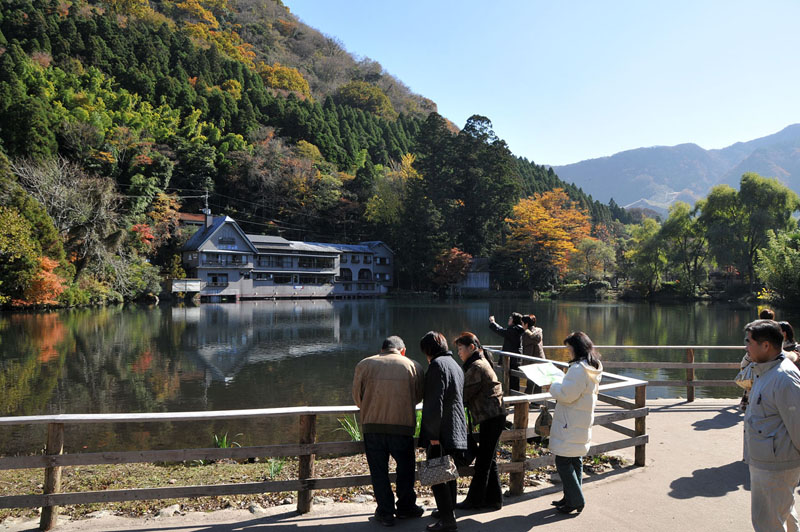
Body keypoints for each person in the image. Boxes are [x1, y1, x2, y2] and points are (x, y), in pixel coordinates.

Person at [353, 336, 425, 527]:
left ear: (382, 349)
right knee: (405, 469)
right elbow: (418, 396)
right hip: (402, 426)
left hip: (372, 426)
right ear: (403, 350)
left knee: (379, 472)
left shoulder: (364, 364)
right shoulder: (413, 365)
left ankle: (385, 512)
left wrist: (370, 408)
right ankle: (406, 507)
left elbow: (357, 397)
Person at [743, 319, 800, 532]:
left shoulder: (784, 377)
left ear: (766, 345)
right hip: (767, 462)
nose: (746, 347)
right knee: (783, 515)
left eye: (749, 342)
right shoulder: (764, 370)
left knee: (767, 523)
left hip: (776, 467)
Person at [548, 331, 603, 515]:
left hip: (570, 421)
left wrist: (553, 386)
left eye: (569, 348)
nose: (568, 352)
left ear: (576, 348)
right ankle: (570, 498)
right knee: (575, 459)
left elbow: (566, 395)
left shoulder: (579, 369)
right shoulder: (592, 366)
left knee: (563, 461)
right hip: (581, 419)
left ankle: (576, 499)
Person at [419, 331, 468, 532]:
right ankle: (447, 511)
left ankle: (447, 520)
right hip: (456, 427)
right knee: (449, 472)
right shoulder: (455, 365)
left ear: (429, 350)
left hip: (442, 431)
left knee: (438, 475)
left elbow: (433, 403)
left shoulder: (437, 366)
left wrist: (432, 436)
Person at [453, 332, 505, 512]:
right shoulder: (480, 362)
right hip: (493, 416)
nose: (459, 352)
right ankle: (494, 500)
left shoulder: (476, 366)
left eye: (461, 348)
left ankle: (474, 500)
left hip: (491, 417)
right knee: (488, 459)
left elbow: (463, 392)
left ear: (472, 347)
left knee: (483, 461)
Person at [489, 312, 525, 391]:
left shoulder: (514, 330)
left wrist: (493, 322)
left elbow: (501, 331)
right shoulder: (516, 329)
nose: (509, 319)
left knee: (512, 381)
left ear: (514, 320)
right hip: (514, 359)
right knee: (513, 380)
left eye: (510, 318)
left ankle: (513, 399)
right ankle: (513, 398)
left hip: (512, 360)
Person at [521, 314, 546, 394]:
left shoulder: (526, 335)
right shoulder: (538, 331)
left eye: (522, 323)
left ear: (526, 324)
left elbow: (526, 344)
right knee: (538, 383)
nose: (521, 325)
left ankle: (526, 402)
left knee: (530, 383)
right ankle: (536, 402)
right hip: (539, 359)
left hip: (532, 361)